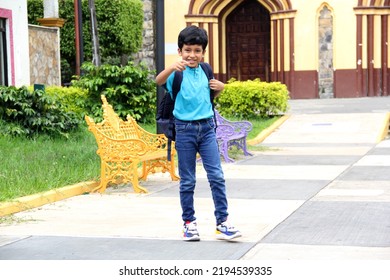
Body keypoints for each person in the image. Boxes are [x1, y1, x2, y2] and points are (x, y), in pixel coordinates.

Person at [156, 25, 241, 242]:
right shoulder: (177, 74)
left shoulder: (206, 70)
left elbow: (207, 98)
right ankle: (189, 223)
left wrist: (220, 88)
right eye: (187, 50)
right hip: (184, 131)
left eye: (197, 50)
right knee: (187, 180)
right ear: (180, 51)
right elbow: (158, 81)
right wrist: (171, 68)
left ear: (203, 52)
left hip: (207, 130)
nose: (192, 55)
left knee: (217, 176)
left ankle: (222, 222)